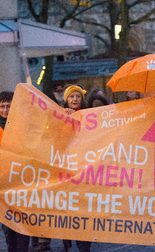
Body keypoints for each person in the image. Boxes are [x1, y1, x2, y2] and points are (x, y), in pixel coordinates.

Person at [0, 91, 31, 252]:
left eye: (9, 106)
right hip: (3, 186)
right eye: (2, 106)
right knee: (8, 227)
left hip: (21, 183)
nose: (5, 109)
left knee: (23, 224)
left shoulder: (24, 125)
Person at [63, 85, 91, 252]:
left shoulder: (91, 116)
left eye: (77, 96)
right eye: (71, 96)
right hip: (65, 170)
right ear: (66, 99)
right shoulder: (58, 114)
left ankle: (84, 245)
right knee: (66, 208)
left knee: (83, 209)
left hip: (84, 170)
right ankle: (66, 242)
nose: (74, 99)